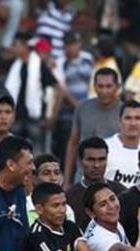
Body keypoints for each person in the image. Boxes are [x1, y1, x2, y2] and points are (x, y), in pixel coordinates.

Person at [5, 32, 63, 154]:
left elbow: (58, 88)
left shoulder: (39, 65)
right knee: (16, 154)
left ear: (25, 46)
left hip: (35, 118)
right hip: (18, 116)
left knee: (37, 155)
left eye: (16, 45)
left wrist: (53, 115)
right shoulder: (16, 65)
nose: (13, 48)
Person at [64, 68, 123, 186]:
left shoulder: (125, 113)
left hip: (112, 175)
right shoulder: (82, 108)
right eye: (100, 86)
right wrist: (67, 179)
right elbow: (73, 143)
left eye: (108, 86)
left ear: (117, 87)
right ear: (94, 86)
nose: (104, 91)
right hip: (82, 174)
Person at [66, 137, 126, 231]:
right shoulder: (69, 196)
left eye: (101, 159)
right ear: (80, 161)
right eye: (91, 160)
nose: (96, 165)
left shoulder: (121, 192)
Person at [53, 31, 94, 165]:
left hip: (88, 111)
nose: (71, 47)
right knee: (67, 148)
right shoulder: (60, 61)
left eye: (74, 44)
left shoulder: (88, 58)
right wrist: (78, 106)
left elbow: (93, 83)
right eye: (68, 44)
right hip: (67, 114)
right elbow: (62, 88)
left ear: (79, 44)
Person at [105, 100, 140, 188]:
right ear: (119, 121)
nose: (133, 123)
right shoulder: (104, 147)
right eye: (128, 118)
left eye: (137, 118)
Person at [26, 154, 75, 224]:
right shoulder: (24, 206)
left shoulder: (68, 210)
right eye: (46, 173)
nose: (53, 178)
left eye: (57, 173)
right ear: (34, 178)